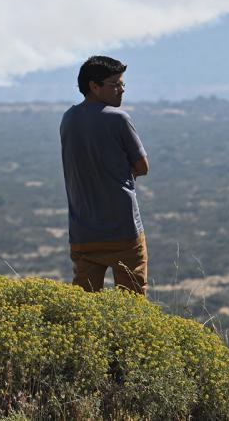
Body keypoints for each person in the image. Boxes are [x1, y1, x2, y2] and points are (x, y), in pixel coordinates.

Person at [60, 55, 150, 294]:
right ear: (94, 86)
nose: (121, 90)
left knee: (84, 306)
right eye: (115, 84)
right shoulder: (118, 118)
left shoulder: (69, 118)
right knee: (131, 301)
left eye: (122, 84)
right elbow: (142, 167)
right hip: (123, 228)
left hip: (83, 232)